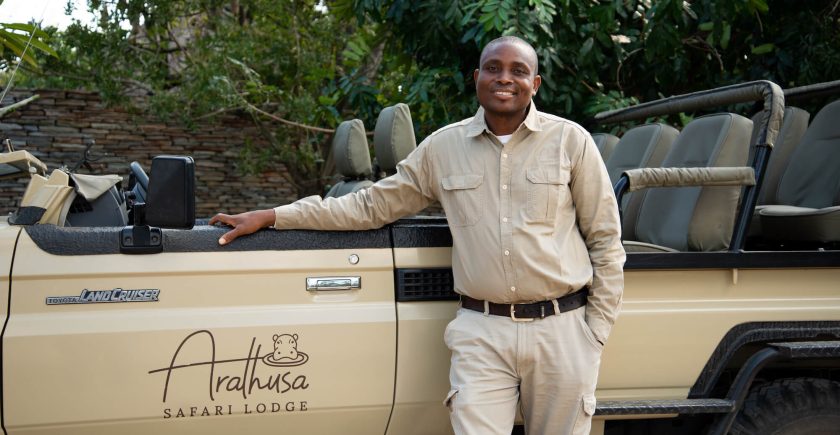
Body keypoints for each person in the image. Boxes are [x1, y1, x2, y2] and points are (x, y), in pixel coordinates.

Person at [210, 36, 625, 435]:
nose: (504, 78)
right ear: (476, 76)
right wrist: (274, 216)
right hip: (482, 330)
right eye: (493, 68)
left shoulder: (570, 142)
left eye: (518, 71)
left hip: (563, 329)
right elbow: (369, 206)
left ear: (534, 84)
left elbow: (606, 240)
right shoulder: (443, 148)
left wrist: (594, 332)